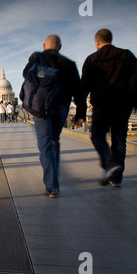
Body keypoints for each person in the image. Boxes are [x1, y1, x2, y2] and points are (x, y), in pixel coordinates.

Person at [22, 35, 86, 198]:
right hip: (62, 107)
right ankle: (53, 179)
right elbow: (78, 90)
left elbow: (26, 74)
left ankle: (52, 186)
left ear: (44, 45)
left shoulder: (37, 57)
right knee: (54, 141)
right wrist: (80, 113)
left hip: (41, 107)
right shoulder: (69, 64)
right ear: (60, 47)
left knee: (45, 145)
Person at [81, 29, 136, 187]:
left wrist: (80, 107)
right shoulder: (127, 55)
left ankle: (110, 165)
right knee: (119, 140)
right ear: (111, 39)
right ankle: (117, 178)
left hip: (102, 105)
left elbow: (84, 86)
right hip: (123, 106)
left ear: (97, 42)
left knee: (97, 136)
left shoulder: (93, 59)